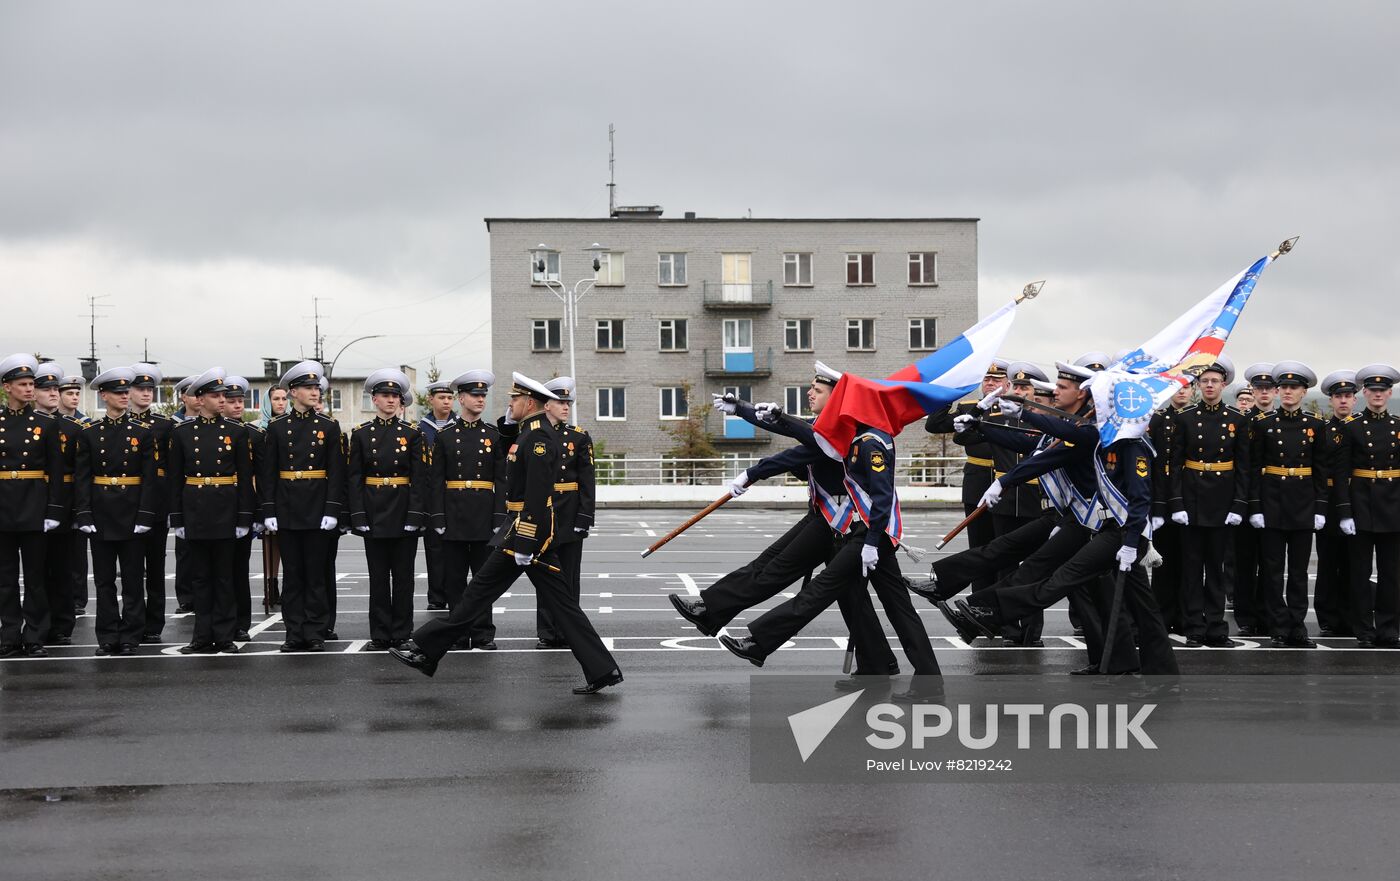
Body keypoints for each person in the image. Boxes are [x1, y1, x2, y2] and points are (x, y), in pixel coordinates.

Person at [392, 372, 623, 694]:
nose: (508, 404)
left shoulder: (538, 440)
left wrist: (526, 542)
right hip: (524, 534)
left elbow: (539, 497)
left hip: (528, 537)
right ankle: (603, 669)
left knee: (479, 594)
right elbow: (506, 441)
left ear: (529, 402)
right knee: (556, 605)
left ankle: (424, 648)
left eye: (513, 400)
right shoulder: (528, 432)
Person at [674, 363, 903, 686]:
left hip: (839, 525)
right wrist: (743, 409)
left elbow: (795, 449)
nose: (810, 393)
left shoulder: (842, 433)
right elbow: (794, 430)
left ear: (838, 398)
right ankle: (878, 662)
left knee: (776, 571)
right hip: (825, 518)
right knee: (845, 596)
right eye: (811, 387)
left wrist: (752, 472)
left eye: (818, 390)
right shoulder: (826, 428)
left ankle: (715, 612)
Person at [716, 384, 943, 690]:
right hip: (869, 533)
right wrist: (754, 411)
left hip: (871, 533)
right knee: (899, 608)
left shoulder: (869, 441)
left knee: (820, 590)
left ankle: (759, 642)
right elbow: (807, 432)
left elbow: (882, 497)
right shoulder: (854, 435)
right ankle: (927, 681)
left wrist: (873, 542)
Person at [260, 361, 344, 653]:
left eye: (317, 388)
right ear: (293, 391)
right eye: (308, 388)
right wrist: (269, 510)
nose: (314, 392)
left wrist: (332, 510)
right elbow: (268, 472)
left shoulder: (329, 427)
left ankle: (316, 630)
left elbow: (337, 473)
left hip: (318, 507)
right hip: (288, 507)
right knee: (293, 575)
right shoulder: (277, 427)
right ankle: (294, 631)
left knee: (316, 575)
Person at [168, 368, 254, 654]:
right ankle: (201, 636)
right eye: (215, 396)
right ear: (199, 399)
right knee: (200, 578)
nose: (221, 400)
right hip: (195, 509)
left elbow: (244, 477)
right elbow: (175, 478)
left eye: (223, 396)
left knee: (224, 577)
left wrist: (244, 517)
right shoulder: (182, 433)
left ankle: (225, 635)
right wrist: (177, 517)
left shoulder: (236, 432)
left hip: (226, 508)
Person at [75, 367, 157, 656]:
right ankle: (108, 635)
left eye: (126, 393)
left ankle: (131, 634)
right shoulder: (90, 434)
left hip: (131, 511)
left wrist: (146, 515)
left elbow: (149, 478)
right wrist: (83, 513)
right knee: (104, 581)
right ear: (103, 396)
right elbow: (82, 478)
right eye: (118, 393)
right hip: (102, 512)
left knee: (133, 580)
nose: (124, 397)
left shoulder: (142, 433)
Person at [1166, 356, 1247, 647]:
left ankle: (1216, 627)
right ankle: (1193, 627)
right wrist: (1176, 503)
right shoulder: (1185, 418)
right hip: (1192, 498)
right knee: (1191, 568)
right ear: (1198, 385)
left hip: (1222, 500)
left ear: (1224, 384)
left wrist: (1239, 504)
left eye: (1215, 381)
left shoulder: (1237, 420)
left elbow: (1243, 466)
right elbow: (1174, 465)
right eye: (1205, 381)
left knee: (1217, 569)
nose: (1209, 385)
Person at [1249, 361, 1326, 648]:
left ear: (1304, 392)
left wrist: (1320, 508)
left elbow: (1321, 470)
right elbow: (1254, 467)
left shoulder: (1315, 425)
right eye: (1284, 388)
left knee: (1298, 571)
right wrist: (1255, 507)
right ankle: (1278, 627)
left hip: (1303, 504)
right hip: (1272, 503)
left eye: (1294, 388)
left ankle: (1297, 626)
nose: (1288, 392)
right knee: (1271, 569)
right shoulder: (1263, 424)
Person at [349, 369, 427, 649]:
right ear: (374, 399)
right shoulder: (360, 434)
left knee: (404, 578)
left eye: (395, 395)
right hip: (374, 511)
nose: (391, 400)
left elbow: (420, 479)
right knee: (378, 579)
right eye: (385, 395)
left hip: (403, 510)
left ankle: (402, 632)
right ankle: (380, 634)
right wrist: (358, 515)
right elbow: (354, 478)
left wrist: (416, 516)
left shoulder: (412, 434)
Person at [427, 369, 505, 649]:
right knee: (455, 582)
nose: (480, 399)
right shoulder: (446, 435)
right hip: (454, 514)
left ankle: (483, 633)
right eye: (475, 395)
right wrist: (437, 515)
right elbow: (436, 480)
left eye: (483, 395)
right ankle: (458, 633)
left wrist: (499, 516)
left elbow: (501, 479)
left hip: (484, 515)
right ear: (461, 398)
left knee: (483, 580)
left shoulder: (492, 435)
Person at [924, 360, 1007, 589]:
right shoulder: (970, 406)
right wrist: (951, 391)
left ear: (1008, 383)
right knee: (979, 546)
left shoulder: (1017, 408)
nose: (990, 383)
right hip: (978, 479)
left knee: (1004, 547)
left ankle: (1000, 602)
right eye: (987, 379)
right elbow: (935, 424)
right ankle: (978, 602)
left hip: (1009, 482)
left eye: (996, 379)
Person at [0, 354, 62, 657]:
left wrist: (53, 511)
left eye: (30, 384)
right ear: (7, 387)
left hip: (33, 505)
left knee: (36, 578)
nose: (28, 389)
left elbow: (56, 472)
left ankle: (35, 636)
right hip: (3, 505)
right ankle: (9, 635)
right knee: (5, 579)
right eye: (22, 384)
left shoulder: (45, 424)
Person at [1335, 364, 1400, 648]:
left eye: (1382, 390)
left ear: (1389, 393)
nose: (1377, 394)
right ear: (1364, 392)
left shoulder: (1397, 426)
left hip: (1393, 506)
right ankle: (1363, 628)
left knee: (1391, 574)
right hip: (1361, 505)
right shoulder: (1353, 427)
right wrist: (1345, 511)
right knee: (1360, 573)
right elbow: (1340, 474)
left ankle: (1388, 628)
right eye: (1373, 390)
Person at [537, 377, 595, 649]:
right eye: (560, 402)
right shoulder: (535, 435)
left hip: (570, 512)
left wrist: (585, 518)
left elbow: (587, 481)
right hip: (544, 511)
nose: (565, 407)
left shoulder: (578, 437)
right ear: (546, 404)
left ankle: (569, 631)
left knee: (570, 577)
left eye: (568, 402)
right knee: (546, 575)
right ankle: (548, 632)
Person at [31, 362, 82, 646]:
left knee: (63, 569)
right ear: (34, 393)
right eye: (47, 389)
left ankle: (62, 625)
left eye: (55, 389)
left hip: (64, 506)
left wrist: (76, 509)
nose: (53, 393)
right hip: (31, 504)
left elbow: (78, 473)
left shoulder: (72, 428)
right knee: (37, 571)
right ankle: (39, 623)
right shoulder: (27, 425)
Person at [128, 363, 175, 643]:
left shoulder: (164, 426)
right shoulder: (121, 424)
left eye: (149, 389)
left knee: (155, 567)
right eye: (140, 389)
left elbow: (169, 471)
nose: (146, 394)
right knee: (132, 569)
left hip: (156, 503)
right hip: (126, 503)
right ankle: (133, 620)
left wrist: (169, 507)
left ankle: (154, 623)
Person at [1230, 362, 1276, 637]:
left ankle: (1269, 613)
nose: (1264, 393)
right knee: (1244, 562)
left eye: (1268, 388)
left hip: (1273, 499)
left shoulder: (1281, 421)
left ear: (1276, 392)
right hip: (1246, 499)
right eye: (1259, 388)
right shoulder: (1242, 422)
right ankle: (1246, 616)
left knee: (1271, 563)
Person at [1315, 370, 1359, 637]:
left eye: (1348, 396)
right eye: (1338, 396)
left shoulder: (1361, 428)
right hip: (1330, 501)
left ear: (1355, 399)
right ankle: (1328, 617)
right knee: (1328, 562)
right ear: (1331, 401)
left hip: (1359, 500)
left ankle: (1351, 615)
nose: (1343, 401)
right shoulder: (1323, 430)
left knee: (1355, 562)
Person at [1148, 382, 1195, 634]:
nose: (1182, 392)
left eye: (1188, 387)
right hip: (1163, 497)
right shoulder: (1158, 420)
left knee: (1189, 564)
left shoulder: (1198, 417)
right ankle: (1163, 616)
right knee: (1163, 564)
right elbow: (1154, 465)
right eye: (1178, 387)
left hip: (1190, 497)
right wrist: (1157, 505)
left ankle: (1186, 616)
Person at [222, 376, 258, 641]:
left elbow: (258, 479)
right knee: (218, 572)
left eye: (240, 401)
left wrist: (257, 514)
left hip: (242, 508)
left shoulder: (254, 435)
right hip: (214, 508)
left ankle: (241, 622)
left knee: (239, 570)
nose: (236, 406)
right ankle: (221, 620)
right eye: (231, 401)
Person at [418, 378, 456, 610]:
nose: (446, 402)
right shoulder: (420, 430)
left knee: (454, 550)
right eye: (441, 397)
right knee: (434, 549)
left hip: (454, 498)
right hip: (430, 498)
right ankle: (436, 596)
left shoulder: (459, 427)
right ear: (431, 400)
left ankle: (453, 593)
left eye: (450, 397)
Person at [256, 384, 287, 611]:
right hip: (266, 490)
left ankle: (288, 586)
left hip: (286, 491)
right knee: (270, 542)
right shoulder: (258, 430)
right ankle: (271, 586)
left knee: (287, 542)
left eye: (284, 398)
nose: (280, 403)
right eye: (276, 399)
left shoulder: (289, 427)